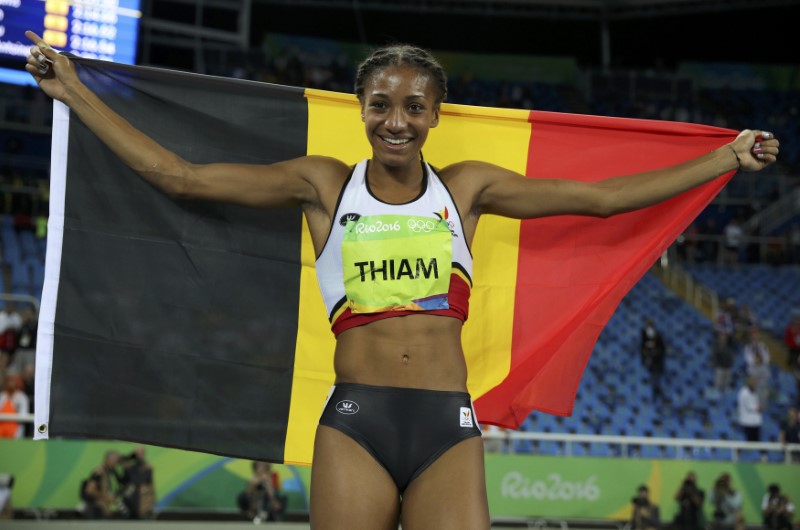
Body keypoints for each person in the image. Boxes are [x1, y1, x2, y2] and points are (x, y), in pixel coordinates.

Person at [24, 32, 780, 529]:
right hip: (356, 422)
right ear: (360, 108)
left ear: (434, 114)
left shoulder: (470, 189)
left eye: (413, 106)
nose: (396, 119)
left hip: (447, 427)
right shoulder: (324, 186)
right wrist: (76, 93)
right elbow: (182, 178)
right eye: (381, 103)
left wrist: (724, 159)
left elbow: (603, 199)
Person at [80, 450, 124, 519]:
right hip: (96, 510)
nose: (118, 463)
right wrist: (106, 496)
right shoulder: (99, 471)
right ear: (110, 460)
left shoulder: (109, 472)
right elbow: (90, 490)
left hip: (104, 509)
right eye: (117, 461)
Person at [118, 446, 155, 519]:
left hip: (143, 501)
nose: (139, 455)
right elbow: (123, 481)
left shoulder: (147, 467)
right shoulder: (130, 467)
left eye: (141, 453)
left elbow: (142, 480)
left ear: (144, 454)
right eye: (137, 453)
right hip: (130, 502)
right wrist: (125, 468)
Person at [640, 317, 666, 400]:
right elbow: (643, 348)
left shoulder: (658, 336)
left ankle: (656, 391)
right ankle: (654, 391)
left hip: (657, 362)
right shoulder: (644, 335)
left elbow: (662, 349)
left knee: (656, 376)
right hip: (649, 361)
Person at [737, 375, 762, 442]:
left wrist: (758, 407)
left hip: (756, 422)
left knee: (756, 442)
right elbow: (748, 406)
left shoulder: (755, 392)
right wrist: (758, 408)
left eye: (755, 381)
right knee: (748, 443)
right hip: (747, 422)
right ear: (748, 382)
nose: (754, 383)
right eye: (752, 381)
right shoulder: (744, 392)